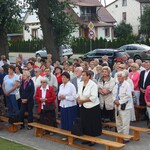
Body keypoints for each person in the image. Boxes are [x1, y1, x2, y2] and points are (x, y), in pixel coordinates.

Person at [77, 70, 101, 146]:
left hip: (92, 107)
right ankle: (86, 138)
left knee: (92, 123)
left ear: (88, 76)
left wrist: (82, 101)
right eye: (82, 75)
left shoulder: (93, 84)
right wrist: (78, 99)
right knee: (85, 122)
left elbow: (93, 97)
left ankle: (93, 140)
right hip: (83, 106)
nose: (82, 76)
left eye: (84, 75)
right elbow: (78, 93)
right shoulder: (80, 84)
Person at [112, 71, 133, 143]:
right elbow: (113, 94)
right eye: (118, 76)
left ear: (124, 77)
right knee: (118, 122)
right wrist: (115, 100)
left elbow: (128, 96)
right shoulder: (116, 84)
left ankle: (126, 138)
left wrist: (120, 102)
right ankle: (120, 136)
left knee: (125, 123)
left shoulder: (127, 84)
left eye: (120, 76)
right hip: (117, 106)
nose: (119, 78)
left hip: (124, 107)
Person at [58, 72, 78, 138]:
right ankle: (64, 134)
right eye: (62, 77)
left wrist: (65, 97)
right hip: (63, 105)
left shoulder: (71, 85)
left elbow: (74, 97)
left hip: (70, 106)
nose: (62, 79)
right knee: (63, 120)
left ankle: (71, 136)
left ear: (68, 78)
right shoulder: (61, 85)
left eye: (64, 77)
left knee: (70, 121)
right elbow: (58, 95)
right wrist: (60, 97)